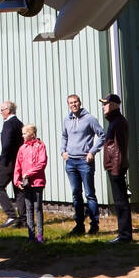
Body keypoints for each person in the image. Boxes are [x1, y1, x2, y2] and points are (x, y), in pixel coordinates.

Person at [60, 94, 104, 235]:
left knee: (89, 194)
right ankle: (79, 226)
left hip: (85, 162)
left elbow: (102, 135)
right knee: (76, 194)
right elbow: (64, 136)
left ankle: (94, 225)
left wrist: (92, 152)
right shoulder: (67, 119)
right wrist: (63, 151)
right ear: (68, 105)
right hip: (71, 162)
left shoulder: (89, 119)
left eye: (75, 102)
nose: (73, 105)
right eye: (71, 103)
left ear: (80, 102)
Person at [101, 93, 133, 243]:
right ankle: (123, 234)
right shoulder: (114, 121)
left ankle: (125, 235)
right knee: (119, 201)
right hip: (114, 167)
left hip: (116, 167)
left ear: (114, 105)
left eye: (105, 104)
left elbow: (119, 148)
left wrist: (115, 169)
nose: (103, 107)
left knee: (121, 202)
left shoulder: (118, 122)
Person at [13, 124, 48, 243]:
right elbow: (18, 165)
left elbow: (42, 163)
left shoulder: (40, 146)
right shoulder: (22, 148)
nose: (22, 136)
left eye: (24, 133)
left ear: (32, 134)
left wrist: (29, 173)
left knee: (37, 208)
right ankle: (31, 235)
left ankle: (40, 235)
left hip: (37, 182)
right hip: (26, 183)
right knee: (29, 208)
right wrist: (17, 180)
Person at [0, 100, 25, 228]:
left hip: (9, 161)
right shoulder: (19, 123)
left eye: (2, 110)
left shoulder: (8, 124)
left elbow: (6, 145)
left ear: (8, 110)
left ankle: (11, 215)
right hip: (19, 162)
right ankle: (23, 220)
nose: (1, 113)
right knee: (18, 190)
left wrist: (2, 160)